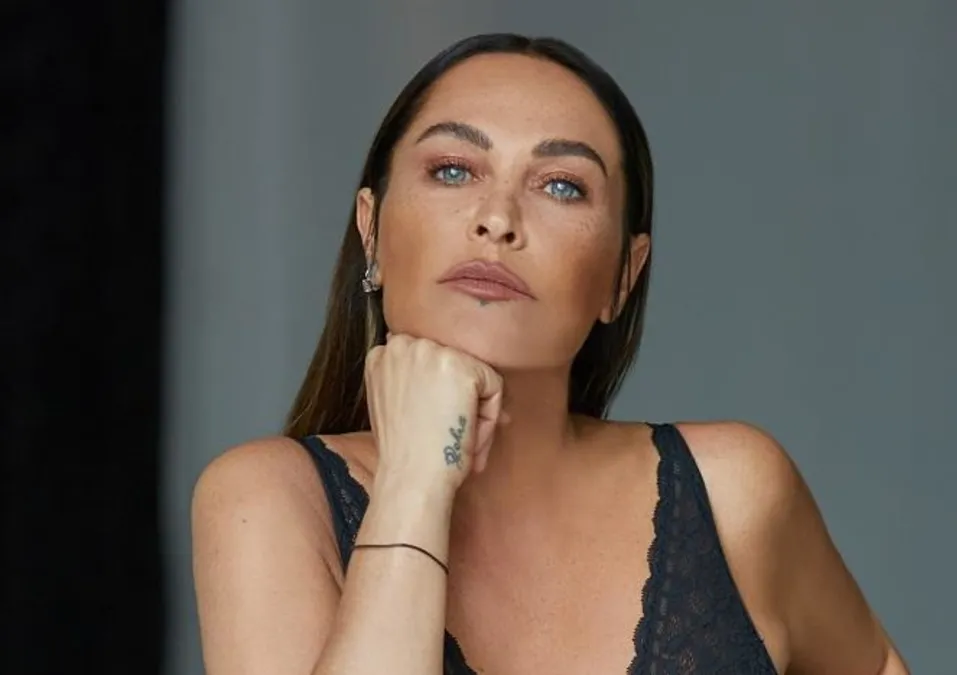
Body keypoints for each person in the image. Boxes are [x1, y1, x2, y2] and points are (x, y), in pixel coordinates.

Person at [191, 33, 909, 675]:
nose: (497, 218)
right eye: (453, 169)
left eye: (561, 186)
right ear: (371, 229)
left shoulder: (733, 492)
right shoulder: (267, 501)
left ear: (621, 276)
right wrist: (415, 483)